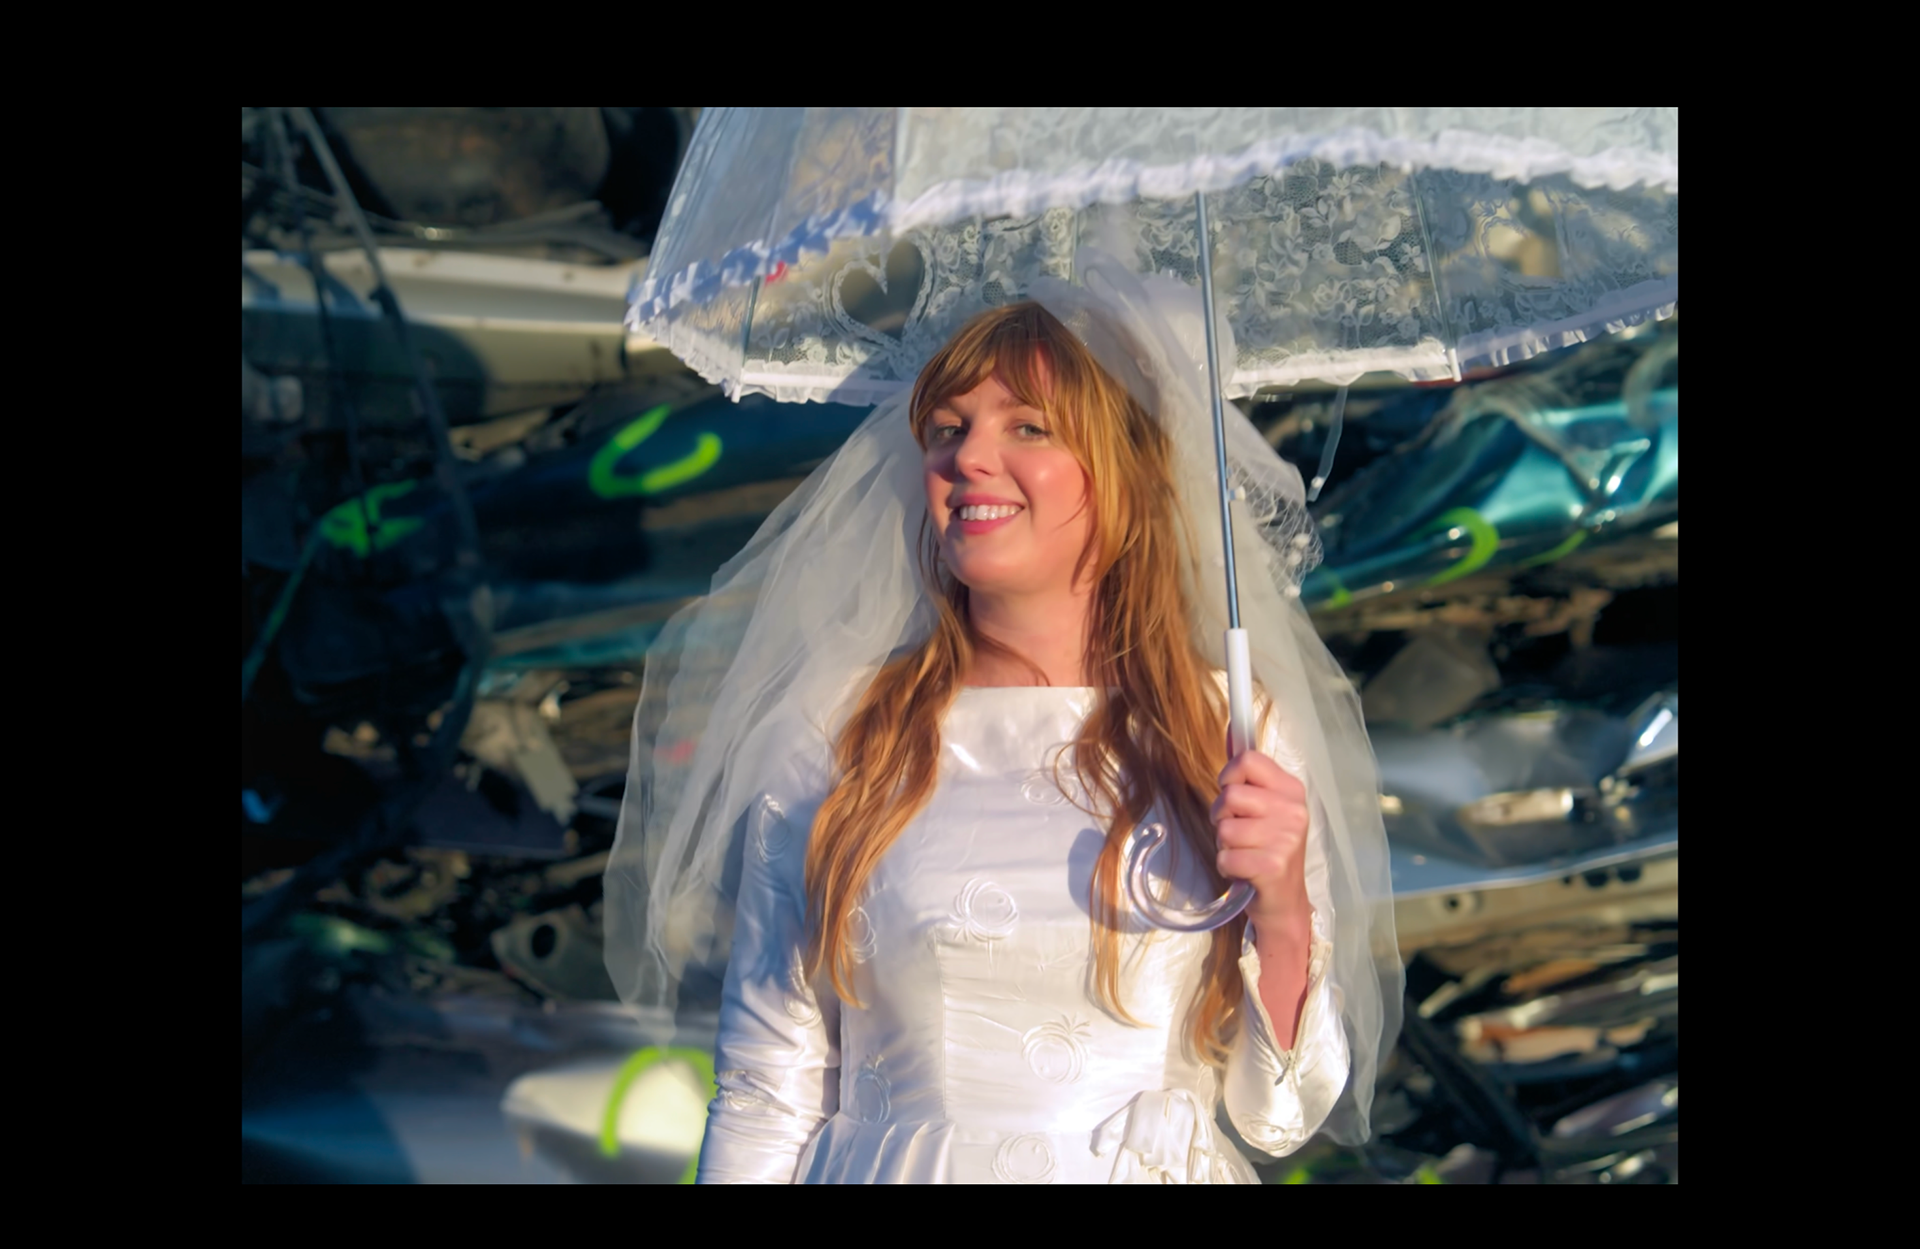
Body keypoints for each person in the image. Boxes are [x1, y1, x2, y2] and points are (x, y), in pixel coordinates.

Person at [606, 253, 1400, 1184]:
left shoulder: (1227, 727)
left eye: (1028, 425)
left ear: (1123, 471)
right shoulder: (837, 728)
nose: (967, 457)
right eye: (948, 428)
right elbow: (766, 1087)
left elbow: (1281, 1114)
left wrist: (1284, 908)